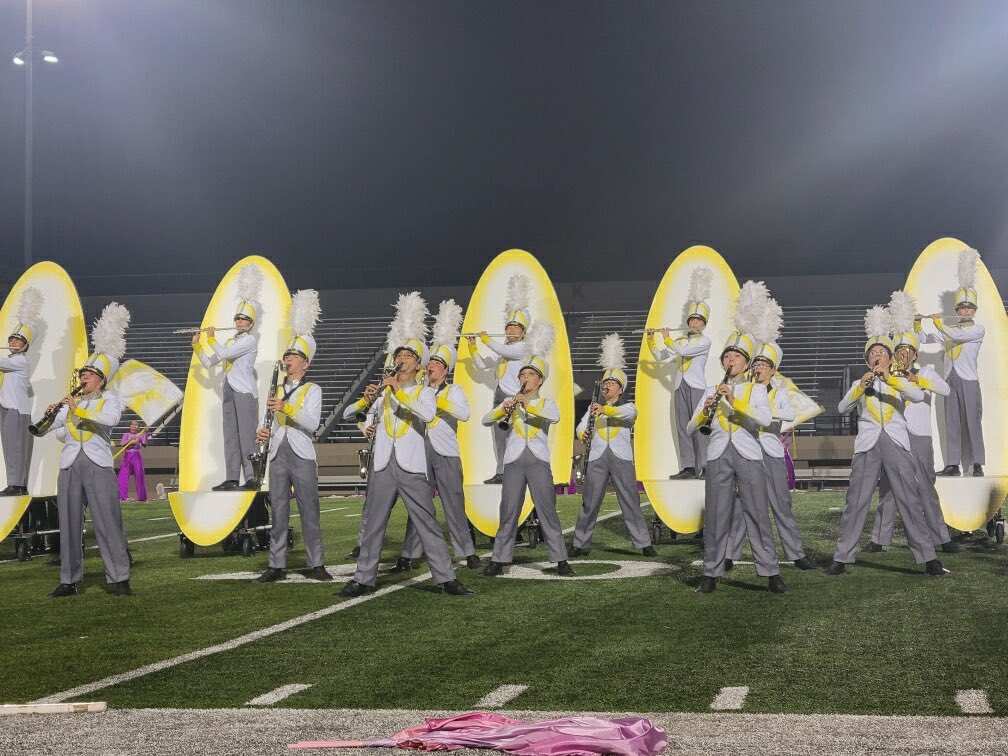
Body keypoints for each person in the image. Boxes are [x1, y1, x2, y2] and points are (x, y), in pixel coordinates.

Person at [340, 293, 472, 597]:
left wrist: (398, 392)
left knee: (426, 523)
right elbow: (350, 414)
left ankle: (446, 578)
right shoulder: (386, 392)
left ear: (418, 364)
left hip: (412, 468)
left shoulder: (425, 392)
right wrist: (367, 397)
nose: (401, 359)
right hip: (384, 464)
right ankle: (363, 578)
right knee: (374, 524)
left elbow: (426, 414)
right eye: (398, 355)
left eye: (408, 357)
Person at [824, 306, 948, 578]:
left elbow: (916, 397)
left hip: (896, 441)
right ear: (867, 359)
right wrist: (861, 386)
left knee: (909, 500)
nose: (876, 356)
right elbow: (843, 407)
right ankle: (842, 557)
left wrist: (890, 378)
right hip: (867, 444)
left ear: (890, 357)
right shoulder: (861, 381)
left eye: (881, 352)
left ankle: (929, 559)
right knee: (856, 502)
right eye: (872, 353)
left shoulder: (898, 379)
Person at [44, 303, 132, 598]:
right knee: (68, 523)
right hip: (70, 464)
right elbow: (52, 432)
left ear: (102, 380)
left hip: (98, 464)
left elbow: (110, 420)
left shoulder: (110, 400)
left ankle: (119, 578)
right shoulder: (71, 402)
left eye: (90, 375)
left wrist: (77, 409)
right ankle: (69, 579)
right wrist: (50, 415)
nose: (84, 378)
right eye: (83, 374)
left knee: (107, 519)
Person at [688, 328, 784, 594]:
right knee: (716, 517)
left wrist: (735, 401)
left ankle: (771, 573)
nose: (730, 360)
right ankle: (710, 573)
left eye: (736, 356)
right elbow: (689, 428)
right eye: (727, 356)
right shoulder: (710, 389)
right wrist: (704, 411)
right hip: (718, 454)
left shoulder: (756, 390)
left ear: (746, 363)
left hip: (749, 455)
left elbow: (764, 420)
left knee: (756, 514)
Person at [482, 322, 574, 577]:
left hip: (537, 460)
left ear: (540, 380)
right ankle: (499, 560)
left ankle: (560, 560)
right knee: (508, 509)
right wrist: (505, 408)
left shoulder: (547, 402)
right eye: (522, 375)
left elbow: (552, 417)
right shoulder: (510, 401)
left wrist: (527, 405)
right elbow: (486, 420)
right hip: (513, 460)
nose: (525, 379)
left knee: (546, 508)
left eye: (530, 375)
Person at [398, 300, 481, 572]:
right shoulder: (418, 390)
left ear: (446, 369)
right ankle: (409, 553)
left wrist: (435, 401)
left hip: (445, 454)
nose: (431, 365)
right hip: (419, 453)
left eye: (436, 363)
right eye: (430, 361)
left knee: (454, 505)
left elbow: (465, 414)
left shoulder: (453, 390)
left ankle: (466, 551)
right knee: (419, 507)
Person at [255, 290, 332, 583]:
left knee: (309, 509)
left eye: (294, 356)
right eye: (287, 355)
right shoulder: (275, 388)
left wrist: (286, 407)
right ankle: (276, 564)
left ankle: (317, 562)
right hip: (277, 454)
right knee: (279, 511)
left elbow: (312, 423)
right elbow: (273, 423)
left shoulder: (313, 390)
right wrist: (263, 432)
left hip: (301, 454)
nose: (288, 359)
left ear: (305, 364)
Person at [570, 333, 656, 557]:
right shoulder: (593, 407)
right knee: (589, 502)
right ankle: (580, 543)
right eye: (606, 383)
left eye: (612, 384)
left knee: (630, 500)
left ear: (620, 388)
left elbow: (627, 415)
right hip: (598, 456)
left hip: (621, 457)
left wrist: (604, 409)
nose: (607, 386)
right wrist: (584, 433)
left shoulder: (628, 406)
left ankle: (643, 543)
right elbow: (580, 427)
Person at [191, 264, 262, 490]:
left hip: (244, 391)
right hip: (229, 389)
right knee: (230, 434)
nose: (239, 322)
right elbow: (211, 361)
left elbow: (225, 353)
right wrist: (197, 346)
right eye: (237, 319)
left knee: (247, 435)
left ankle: (252, 477)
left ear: (251, 323)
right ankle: (232, 477)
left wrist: (211, 338)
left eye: (244, 320)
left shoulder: (249, 341)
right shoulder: (232, 340)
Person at [916, 247, 985, 477]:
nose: (965, 310)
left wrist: (938, 324)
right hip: (949, 380)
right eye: (962, 307)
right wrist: (918, 325)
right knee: (952, 422)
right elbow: (923, 340)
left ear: (974, 310)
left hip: (969, 381)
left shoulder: (977, 329)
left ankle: (977, 464)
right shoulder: (949, 328)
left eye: (968, 307)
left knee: (972, 422)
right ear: (956, 310)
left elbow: (957, 336)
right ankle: (953, 464)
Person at [646, 267, 712, 479]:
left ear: (704, 324)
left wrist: (666, 338)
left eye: (698, 320)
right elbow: (660, 356)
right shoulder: (680, 340)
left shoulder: (704, 341)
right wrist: (651, 340)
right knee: (683, 427)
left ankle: (705, 466)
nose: (694, 323)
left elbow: (682, 351)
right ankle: (689, 467)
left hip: (697, 387)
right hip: (679, 385)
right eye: (692, 320)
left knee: (699, 426)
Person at [465, 273, 531, 484]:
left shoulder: (524, 348)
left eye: (515, 328)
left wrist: (486, 340)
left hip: (516, 398)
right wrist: (474, 346)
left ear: (523, 332)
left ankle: (518, 473)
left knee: (517, 436)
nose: (511, 331)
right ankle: (501, 471)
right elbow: (483, 364)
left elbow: (503, 350)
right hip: (500, 397)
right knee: (499, 438)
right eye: (508, 328)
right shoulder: (504, 350)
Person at [0, 288, 42, 496]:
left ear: (25, 345)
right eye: (11, 339)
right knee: (11, 446)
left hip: (16, 410)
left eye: (18, 340)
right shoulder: (12, 361)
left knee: (14, 446)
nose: (13, 343)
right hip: (9, 408)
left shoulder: (19, 361)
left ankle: (16, 485)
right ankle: (17, 483)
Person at [117, 420, 149, 502]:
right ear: (130, 426)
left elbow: (144, 444)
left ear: (138, 427)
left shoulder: (140, 434)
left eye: (136, 425)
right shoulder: (126, 434)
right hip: (127, 456)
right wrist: (131, 440)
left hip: (136, 456)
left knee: (139, 476)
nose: (134, 426)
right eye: (132, 424)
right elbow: (122, 444)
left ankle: (142, 497)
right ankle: (123, 497)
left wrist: (145, 433)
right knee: (122, 476)